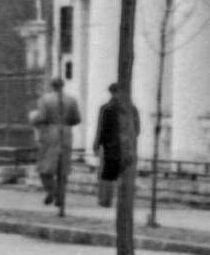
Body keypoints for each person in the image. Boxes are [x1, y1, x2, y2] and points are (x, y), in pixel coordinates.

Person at [28, 76, 83, 208]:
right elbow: (77, 119)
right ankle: (61, 196)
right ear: (63, 85)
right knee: (63, 168)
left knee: (44, 167)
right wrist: (66, 122)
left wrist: (33, 119)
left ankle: (52, 191)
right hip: (66, 134)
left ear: (52, 86)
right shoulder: (71, 100)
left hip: (50, 134)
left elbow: (42, 117)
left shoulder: (44, 99)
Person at [93, 79, 139, 209]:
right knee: (125, 173)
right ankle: (124, 201)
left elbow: (101, 128)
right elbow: (137, 129)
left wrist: (97, 144)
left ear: (111, 92)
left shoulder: (106, 108)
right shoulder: (132, 109)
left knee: (107, 174)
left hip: (110, 146)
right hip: (127, 146)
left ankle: (105, 200)